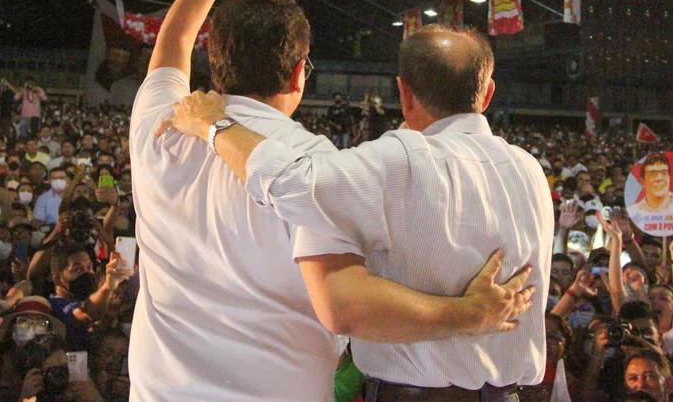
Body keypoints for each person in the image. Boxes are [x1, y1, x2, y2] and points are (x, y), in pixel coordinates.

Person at [129, 0, 536, 402]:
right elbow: (346, 304)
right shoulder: (317, 162)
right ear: (301, 73)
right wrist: (468, 314)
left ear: (216, 63)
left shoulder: (160, 126)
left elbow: (173, 38)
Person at [159, 21, 553, 398]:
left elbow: (289, 182)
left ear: (404, 94)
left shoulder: (399, 160)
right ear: (487, 95)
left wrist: (213, 124)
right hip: (514, 394)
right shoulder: (529, 169)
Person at [627, 154, 673, 224]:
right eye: (652, 174)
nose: (659, 178)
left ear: (669, 178)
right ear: (642, 181)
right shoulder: (633, 213)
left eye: (664, 173)